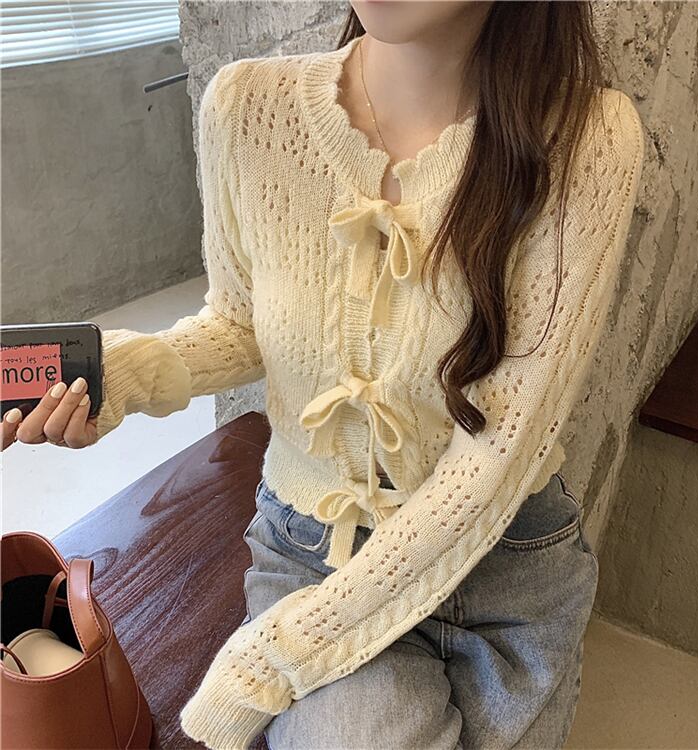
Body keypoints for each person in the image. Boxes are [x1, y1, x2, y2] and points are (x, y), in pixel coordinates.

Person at [4, 2, 645, 748]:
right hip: (319, 554)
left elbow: (502, 449)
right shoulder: (248, 109)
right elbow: (240, 324)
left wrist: (272, 662)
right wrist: (115, 374)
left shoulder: (588, 139)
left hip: (506, 565)